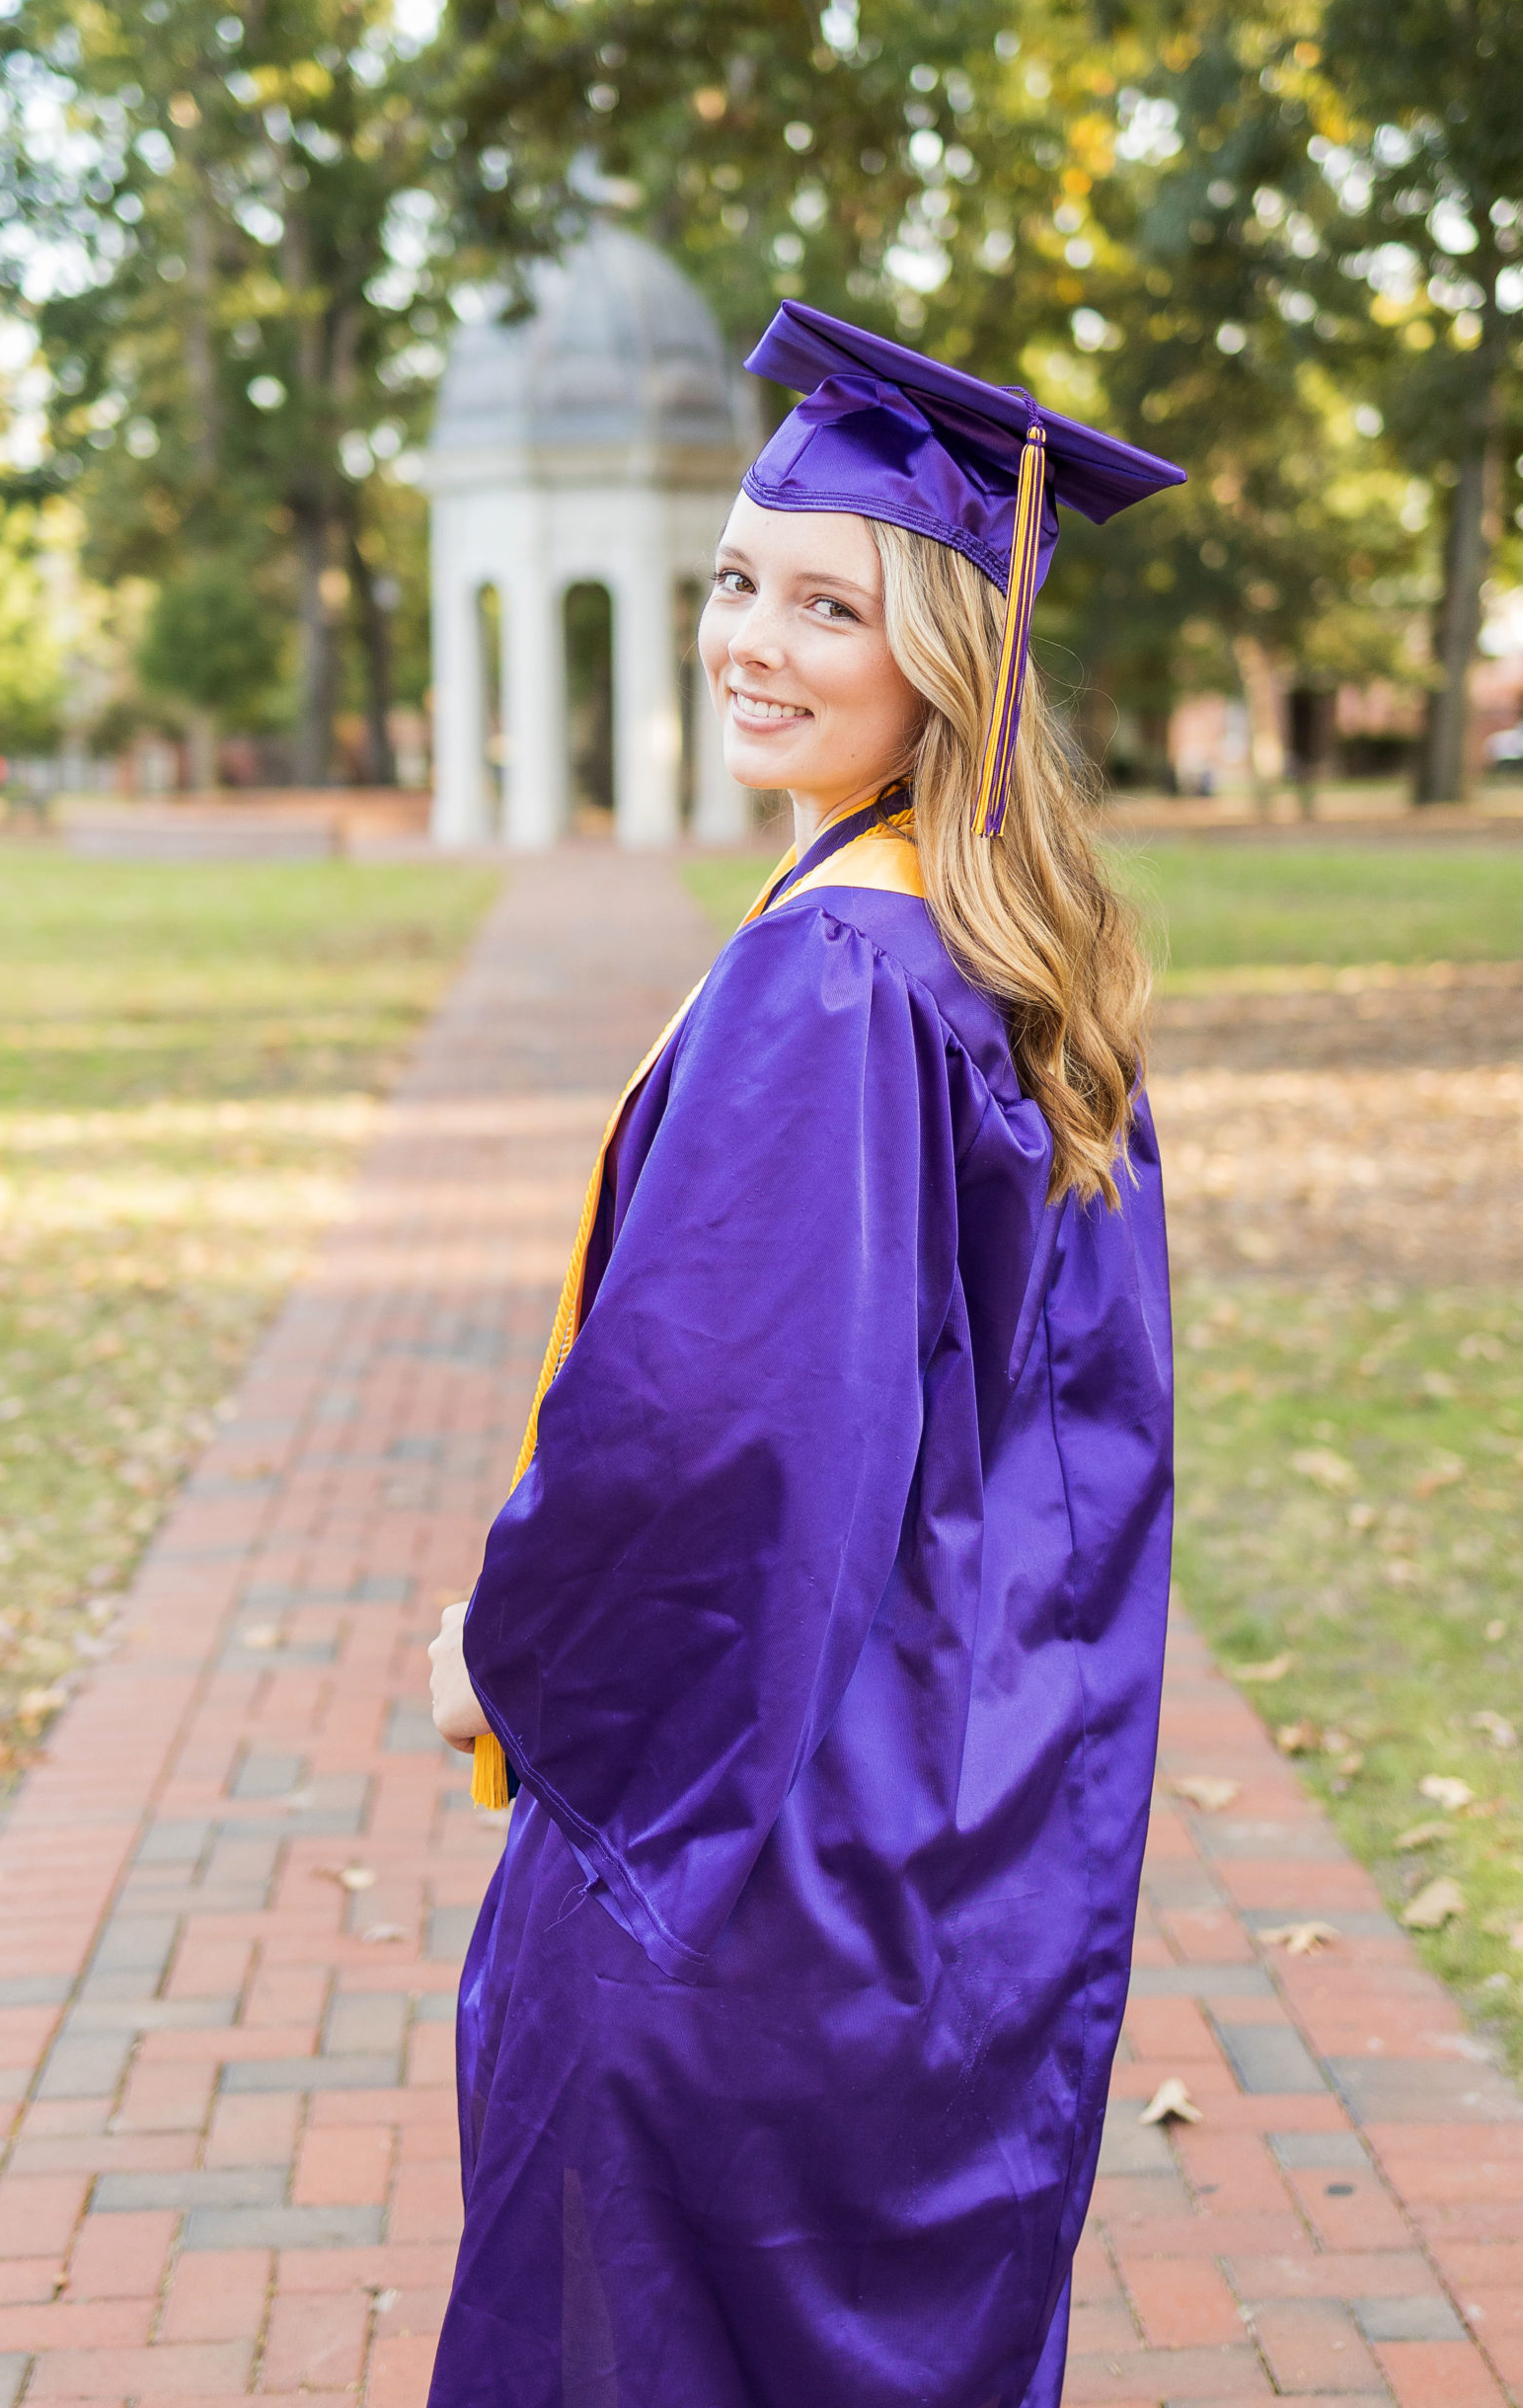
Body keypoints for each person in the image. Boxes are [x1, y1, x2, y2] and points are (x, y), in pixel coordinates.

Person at [425, 302, 1183, 2408]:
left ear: (943, 650)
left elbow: (712, 1446)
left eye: (826, 602)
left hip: (736, 1848)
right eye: (738, 578)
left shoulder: (839, 975)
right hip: (934, 1810)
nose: (750, 637)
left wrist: (507, 1656)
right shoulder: (976, 931)